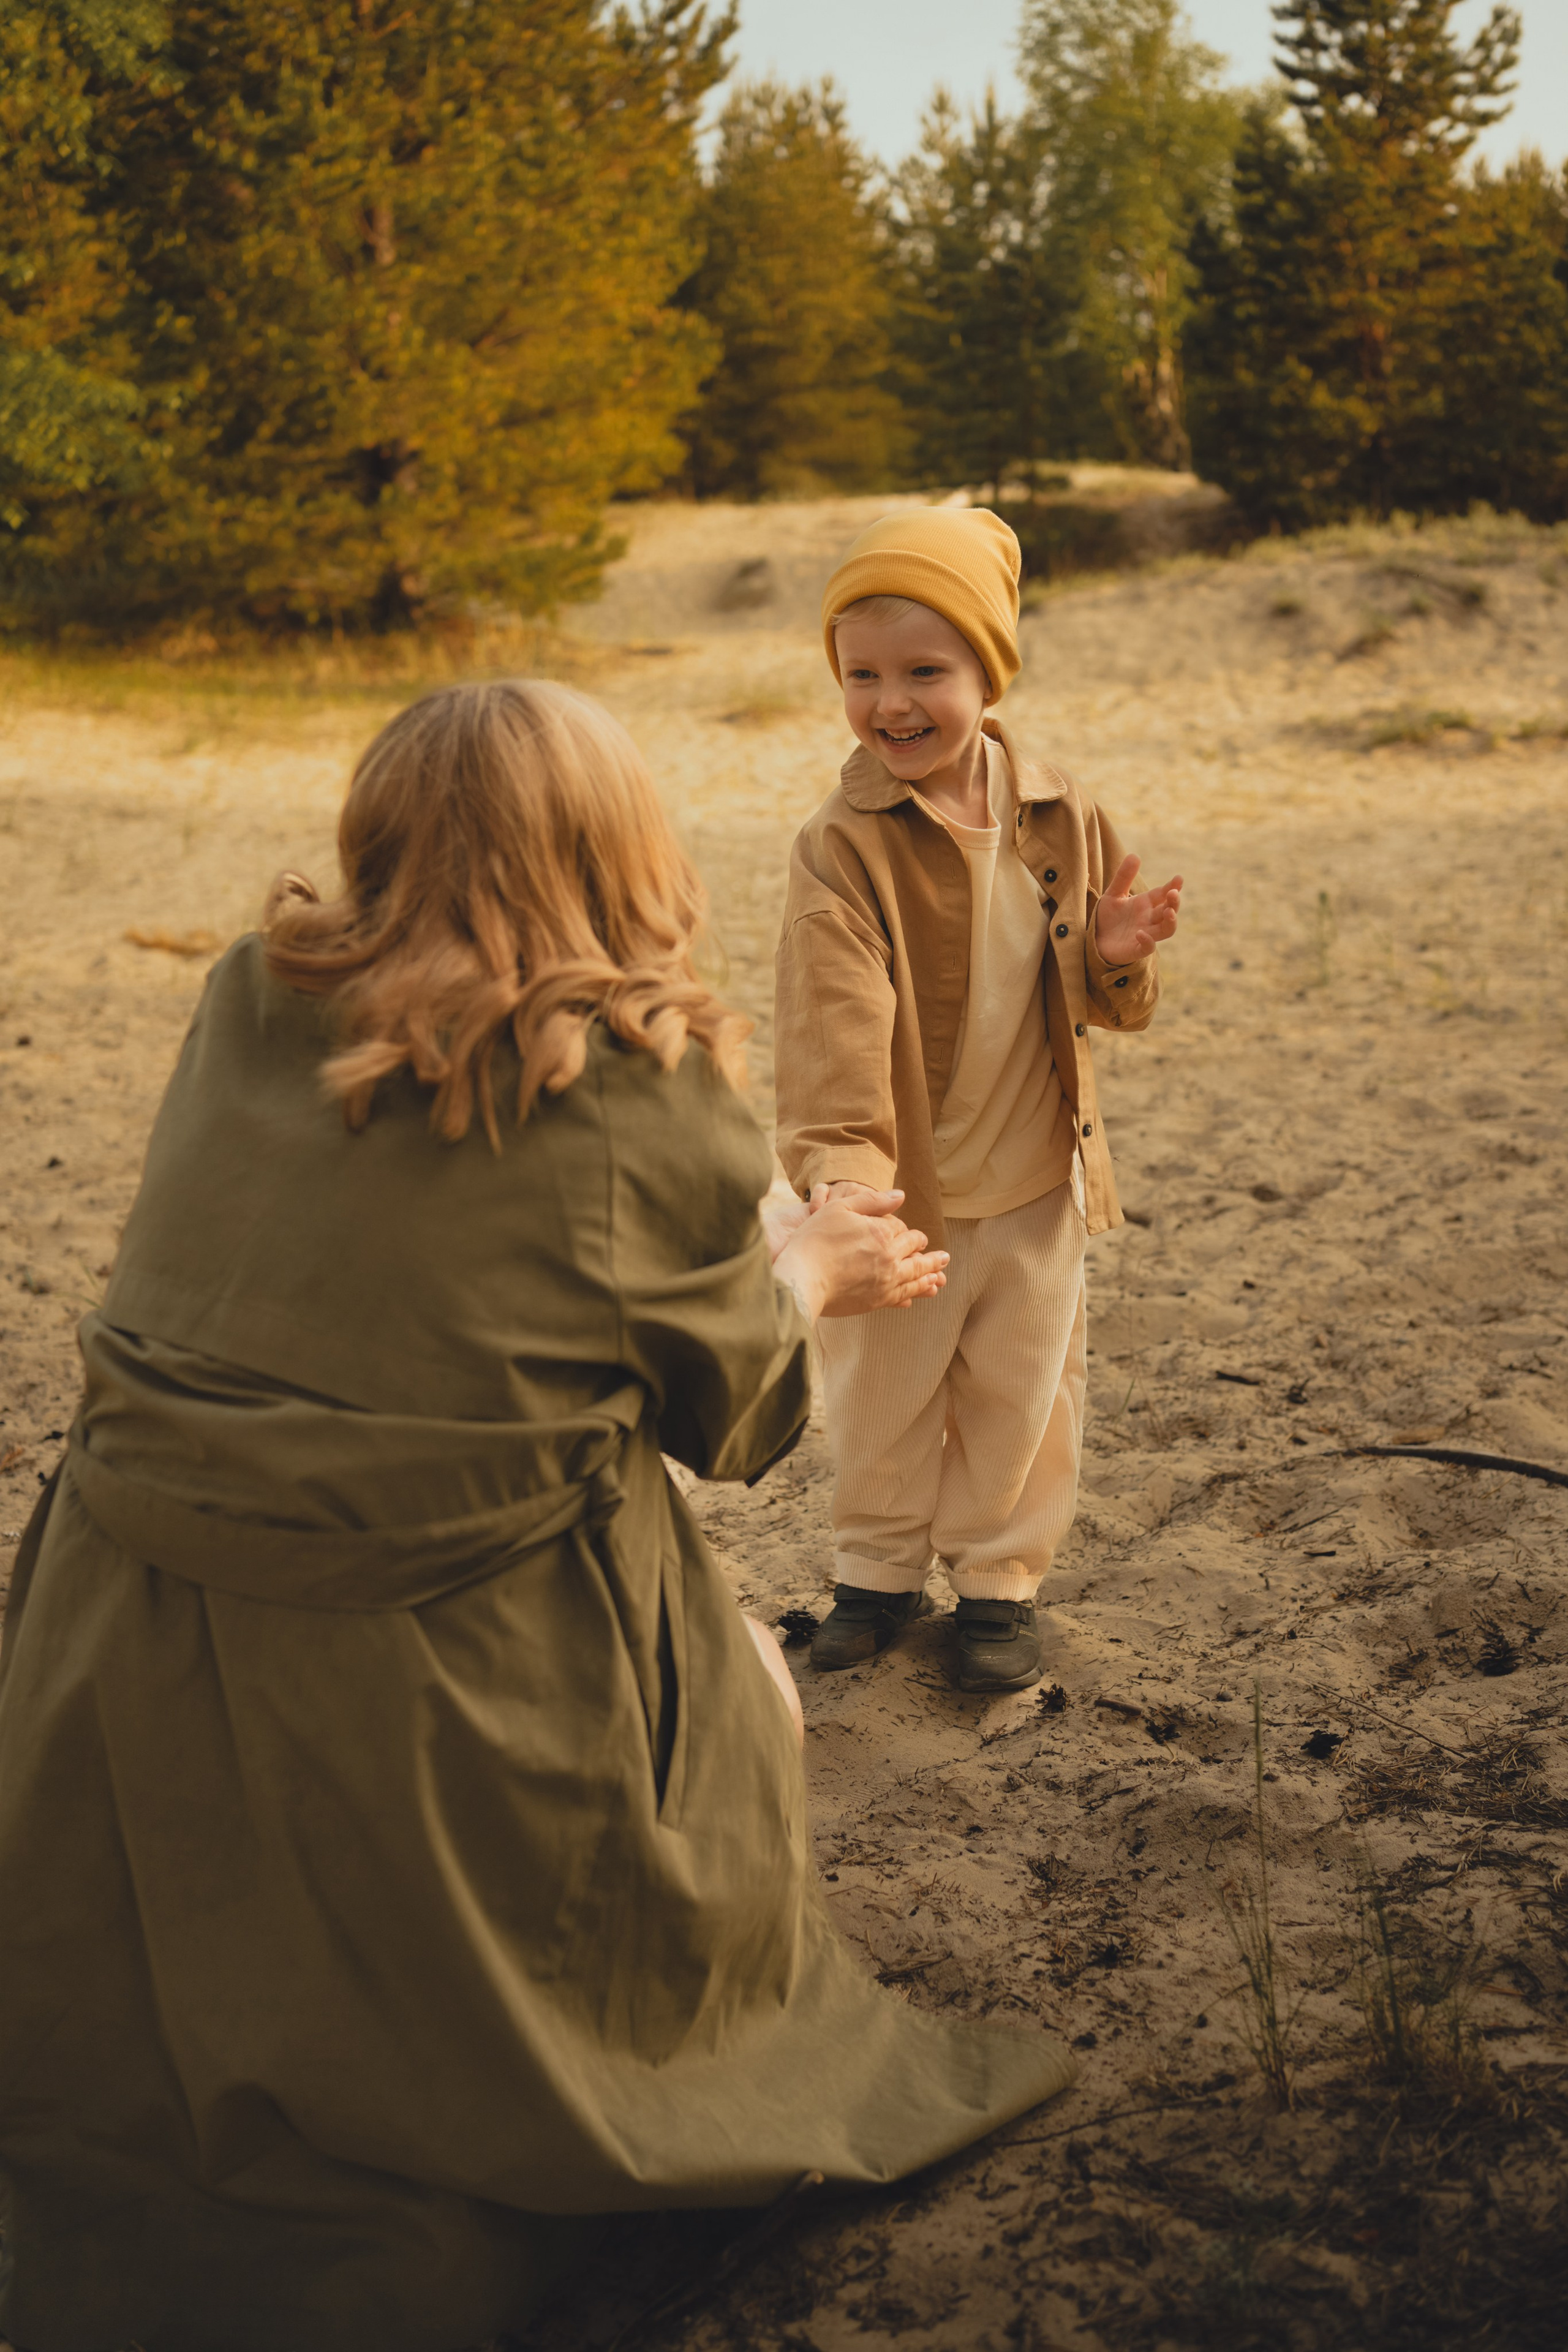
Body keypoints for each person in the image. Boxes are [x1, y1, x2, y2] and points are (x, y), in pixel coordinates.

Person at [0, 680, 1077, 2352]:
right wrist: (802, 1263)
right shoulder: (639, 1088)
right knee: (750, 1682)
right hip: (422, 1669)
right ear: (620, 847)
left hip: (115, 1635)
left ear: (376, 830)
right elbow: (735, 1424)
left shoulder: (251, 996)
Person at [774, 510, 1182, 1694]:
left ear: (986, 675)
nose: (891, 703)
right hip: (903, 1183)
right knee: (885, 1391)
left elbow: (1115, 1008)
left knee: (1024, 1390)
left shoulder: (1059, 811)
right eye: (862, 675)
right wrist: (846, 1179)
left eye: (925, 673)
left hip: (1038, 1179)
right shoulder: (841, 844)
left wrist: (1114, 954)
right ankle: (875, 1575)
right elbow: (830, 1023)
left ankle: (999, 1584)